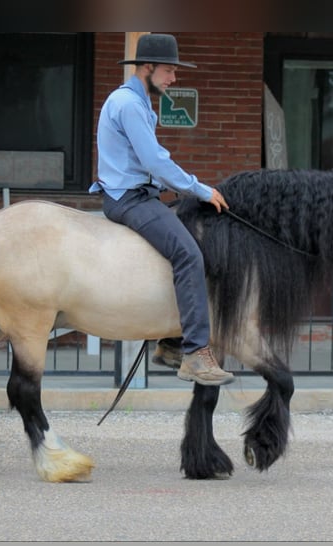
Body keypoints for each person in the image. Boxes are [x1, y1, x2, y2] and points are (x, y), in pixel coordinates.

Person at [89, 33, 234, 387]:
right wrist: (200, 189)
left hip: (139, 194)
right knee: (189, 255)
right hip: (130, 199)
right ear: (148, 68)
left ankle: (169, 345)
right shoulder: (129, 104)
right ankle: (197, 355)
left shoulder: (137, 102)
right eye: (169, 71)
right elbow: (155, 160)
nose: (173, 79)